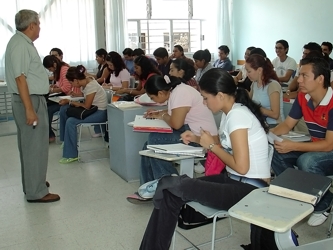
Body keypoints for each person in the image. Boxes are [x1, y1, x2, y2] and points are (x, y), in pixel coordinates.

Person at [139, 68, 270, 249]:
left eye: (206, 98)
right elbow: (224, 146)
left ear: (221, 96)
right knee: (171, 192)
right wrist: (197, 138)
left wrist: (210, 145)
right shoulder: (231, 113)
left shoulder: (238, 117)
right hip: (234, 180)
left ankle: (162, 184)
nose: (204, 102)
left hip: (250, 188)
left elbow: (242, 167)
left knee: (176, 186)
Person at [127, 74, 218, 203]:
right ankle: (149, 188)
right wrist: (160, 113)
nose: (154, 101)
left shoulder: (180, 93)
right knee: (148, 145)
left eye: (153, 97)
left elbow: (176, 123)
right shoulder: (177, 90)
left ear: (160, 92)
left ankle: (170, 181)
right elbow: (177, 112)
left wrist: (163, 115)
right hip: (191, 133)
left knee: (155, 139)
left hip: (200, 139)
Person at [270, 56, 333, 227]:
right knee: (278, 153)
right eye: (299, 75)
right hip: (315, 146)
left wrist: (293, 146)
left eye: (305, 76)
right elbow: (287, 125)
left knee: (307, 160)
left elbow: (329, 145)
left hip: (329, 149)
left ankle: (324, 202)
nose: (299, 80)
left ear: (320, 79)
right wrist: (267, 134)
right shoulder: (302, 97)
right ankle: (300, 195)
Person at [5, 9, 60, 203]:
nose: (39, 28)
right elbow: (20, 79)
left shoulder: (21, 42)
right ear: (31, 26)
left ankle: (33, 183)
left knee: (30, 146)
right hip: (30, 100)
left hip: (31, 99)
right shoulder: (20, 45)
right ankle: (36, 192)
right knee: (34, 147)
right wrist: (30, 109)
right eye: (38, 24)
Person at [59, 65, 107, 164]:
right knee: (64, 110)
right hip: (93, 110)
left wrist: (70, 102)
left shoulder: (91, 85)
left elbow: (86, 106)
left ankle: (71, 154)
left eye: (71, 82)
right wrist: (77, 96)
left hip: (100, 113)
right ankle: (67, 142)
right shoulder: (86, 82)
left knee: (71, 121)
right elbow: (87, 96)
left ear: (76, 80)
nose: (72, 85)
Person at [43, 55, 81, 142]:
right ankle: (49, 133)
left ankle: (50, 135)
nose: (50, 71)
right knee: (45, 106)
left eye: (50, 69)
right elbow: (62, 84)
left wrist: (52, 90)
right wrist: (55, 85)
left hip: (72, 97)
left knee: (48, 109)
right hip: (65, 96)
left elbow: (67, 87)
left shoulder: (64, 69)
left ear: (54, 65)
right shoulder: (59, 70)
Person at [246, 54, 284, 127]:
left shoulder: (272, 85)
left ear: (259, 70)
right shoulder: (254, 84)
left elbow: (275, 114)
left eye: (249, 71)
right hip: (261, 122)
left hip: (274, 125)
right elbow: (249, 102)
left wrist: (257, 108)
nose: (247, 74)